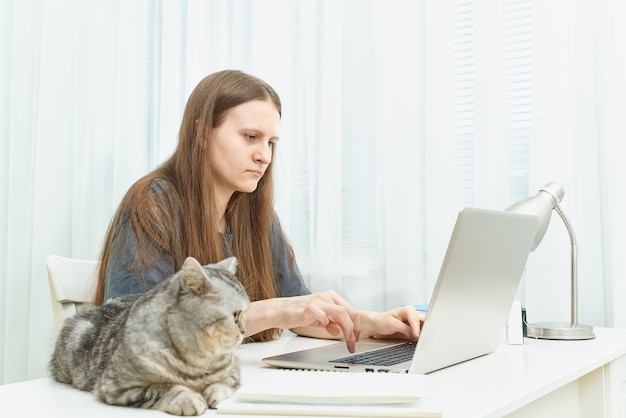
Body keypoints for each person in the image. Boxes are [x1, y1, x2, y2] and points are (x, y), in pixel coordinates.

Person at [93, 69, 423, 353]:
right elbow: (134, 332)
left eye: (271, 143)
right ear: (201, 134)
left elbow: (304, 314)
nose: (264, 156)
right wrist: (278, 310)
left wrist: (377, 323)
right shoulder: (152, 203)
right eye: (251, 137)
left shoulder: (256, 217)